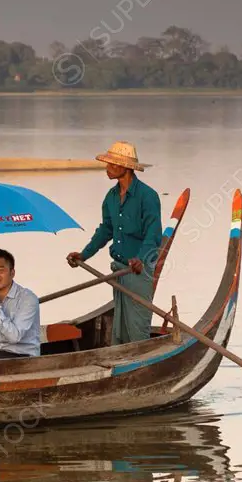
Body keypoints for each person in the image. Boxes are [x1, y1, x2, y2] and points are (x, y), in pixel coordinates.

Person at [67, 140, 162, 345]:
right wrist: (83, 255)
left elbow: (153, 235)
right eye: (108, 163)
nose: (107, 168)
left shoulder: (148, 197)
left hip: (138, 271)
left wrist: (141, 260)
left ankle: (138, 364)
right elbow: (106, 230)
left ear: (125, 168)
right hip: (118, 270)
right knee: (120, 330)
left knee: (137, 329)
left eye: (112, 164)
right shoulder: (110, 197)